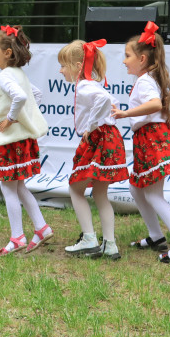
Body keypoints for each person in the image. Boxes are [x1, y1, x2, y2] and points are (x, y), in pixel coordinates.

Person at [110, 23, 170, 263]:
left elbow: (155, 105)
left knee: (154, 195)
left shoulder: (145, 81)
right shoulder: (148, 78)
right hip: (149, 139)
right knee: (137, 187)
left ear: (142, 58)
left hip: (153, 139)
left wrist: (126, 113)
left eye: (127, 56)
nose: (124, 61)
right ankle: (156, 236)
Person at [57, 39, 128, 260]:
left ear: (78, 67)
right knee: (100, 193)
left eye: (63, 66)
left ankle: (89, 238)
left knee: (75, 189)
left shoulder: (85, 86)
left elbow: (105, 100)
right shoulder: (93, 84)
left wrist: (91, 125)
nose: (61, 71)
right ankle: (110, 244)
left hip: (100, 138)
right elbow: (110, 101)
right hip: (109, 137)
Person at [0, 25, 52, 255]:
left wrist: (10, 118)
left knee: (8, 189)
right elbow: (36, 95)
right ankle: (41, 228)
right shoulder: (19, 74)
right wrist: (22, 117)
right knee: (19, 186)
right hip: (22, 139)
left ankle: (17, 237)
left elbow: (22, 96)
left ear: (7, 53)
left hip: (10, 141)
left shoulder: (5, 76)